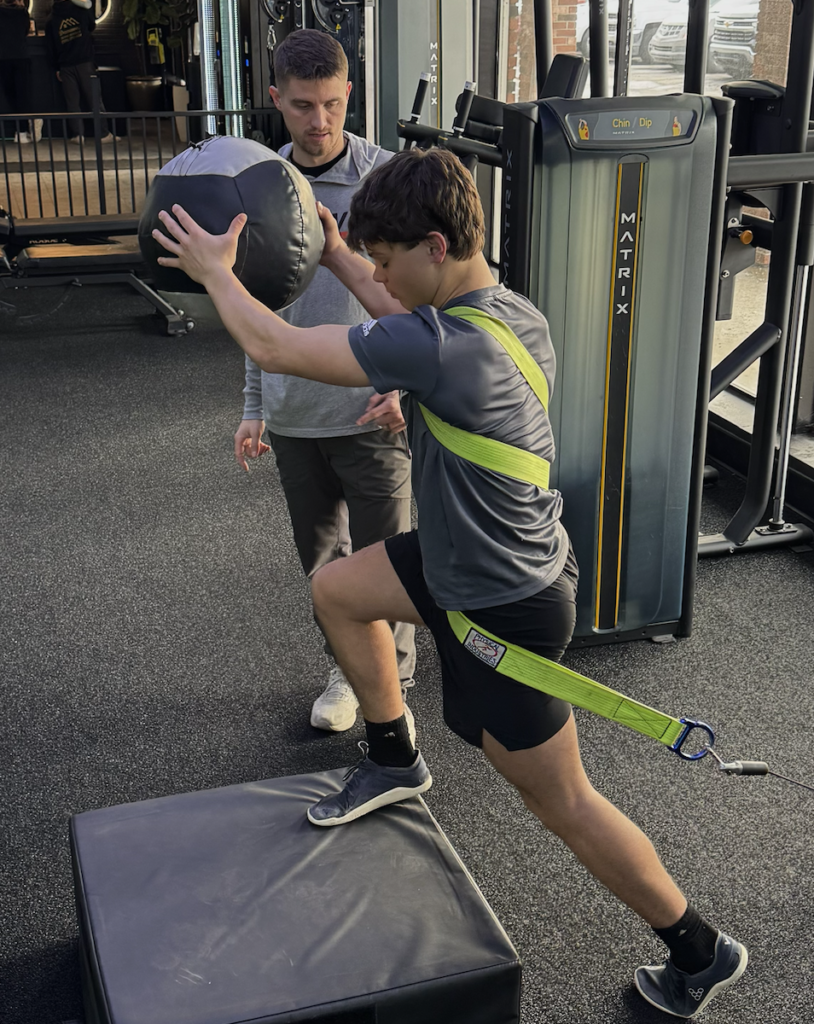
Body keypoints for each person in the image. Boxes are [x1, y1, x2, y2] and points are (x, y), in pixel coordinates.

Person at [151, 147, 748, 1018]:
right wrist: (339, 254)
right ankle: (395, 756)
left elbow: (276, 344)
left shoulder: (440, 347)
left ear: (435, 248)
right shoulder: (506, 311)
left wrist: (214, 272)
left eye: (387, 260)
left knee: (563, 801)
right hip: (463, 556)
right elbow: (399, 312)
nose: (381, 277)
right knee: (339, 591)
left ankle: (699, 948)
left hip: (503, 604)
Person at [235, 29, 416, 735]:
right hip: (294, 414)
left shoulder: (388, 180)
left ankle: (395, 694)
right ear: (276, 99)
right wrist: (254, 404)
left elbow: (424, 300)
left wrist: (406, 386)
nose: (320, 121)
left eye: (333, 104)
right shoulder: (259, 187)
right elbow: (257, 308)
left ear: (349, 94)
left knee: (386, 567)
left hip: (373, 411)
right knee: (323, 567)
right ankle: (348, 672)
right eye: (303, 105)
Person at [45, 0, 116, 144]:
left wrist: (56, 68)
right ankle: (103, 134)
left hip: (65, 65)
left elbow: (51, 47)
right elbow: (92, 25)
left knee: (72, 103)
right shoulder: (81, 10)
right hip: (84, 60)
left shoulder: (51, 19)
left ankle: (78, 135)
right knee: (94, 99)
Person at [0, 0, 32, 143]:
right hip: (21, 56)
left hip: (3, 57)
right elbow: (26, 31)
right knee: (23, 95)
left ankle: (17, 129)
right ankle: (23, 131)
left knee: (10, 95)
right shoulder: (22, 13)